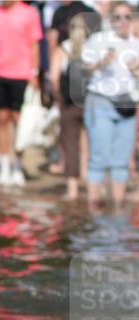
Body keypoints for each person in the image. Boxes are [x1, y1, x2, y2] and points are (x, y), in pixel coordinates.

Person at [0, 0, 43, 187]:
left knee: (19, 121)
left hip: (21, 73)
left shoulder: (29, 12)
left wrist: (34, 73)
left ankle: (18, 166)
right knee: (2, 119)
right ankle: (4, 166)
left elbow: (34, 45)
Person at [82, 0, 139, 208]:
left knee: (121, 162)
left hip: (126, 106)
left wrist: (136, 70)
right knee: (99, 158)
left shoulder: (136, 44)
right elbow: (84, 70)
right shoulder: (98, 40)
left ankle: (118, 208)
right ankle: (93, 208)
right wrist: (101, 63)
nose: (122, 21)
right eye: (117, 17)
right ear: (110, 19)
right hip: (100, 102)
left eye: (127, 17)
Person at [50, 13, 91, 200]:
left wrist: (58, 98)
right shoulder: (94, 50)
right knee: (86, 143)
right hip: (91, 103)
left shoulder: (62, 50)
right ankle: (86, 179)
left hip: (69, 104)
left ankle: (72, 189)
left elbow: (53, 79)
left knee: (70, 144)